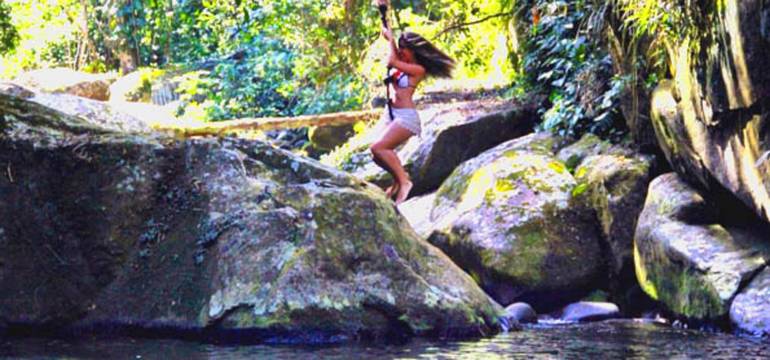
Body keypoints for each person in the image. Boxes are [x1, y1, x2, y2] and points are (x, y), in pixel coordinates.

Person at [371, 0, 455, 205]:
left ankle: (404, 182)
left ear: (413, 50)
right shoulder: (403, 64)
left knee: (379, 148)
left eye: (404, 49)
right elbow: (390, 46)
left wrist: (392, 41)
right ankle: (399, 181)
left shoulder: (417, 70)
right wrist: (383, 13)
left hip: (406, 118)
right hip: (392, 115)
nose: (401, 52)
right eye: (399, 48)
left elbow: (391, 61)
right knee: (376, 155)